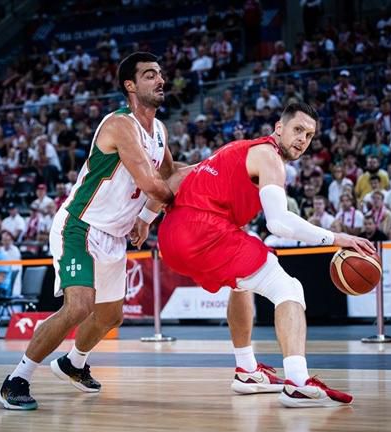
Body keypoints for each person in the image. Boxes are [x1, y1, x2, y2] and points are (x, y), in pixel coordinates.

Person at [138, 103, 375, 408]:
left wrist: (145, 220)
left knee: (242, 285)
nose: (302, 139)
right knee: (289, 288)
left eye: (309, 135)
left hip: (172, 236)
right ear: (279, 128)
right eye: (298, 130)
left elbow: (179, 176)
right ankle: (298, 382)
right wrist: (338, 238)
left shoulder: (237, 149)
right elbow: (278, 222)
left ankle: (247, 370)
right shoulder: (269, 156)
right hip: (203, 231)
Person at [0, 52, 176, 410]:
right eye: (150, 75)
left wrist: (147, 217)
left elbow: (171, 173)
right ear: (131, 85)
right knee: (79, 306)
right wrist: (181, 202)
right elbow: (153, 183)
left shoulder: (159, 131)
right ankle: (17, 378)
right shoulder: (120, 125)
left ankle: (72, 363)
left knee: (111, 316)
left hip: (114, 234)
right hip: (80, 226)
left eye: (161, 75)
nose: (160, 81)